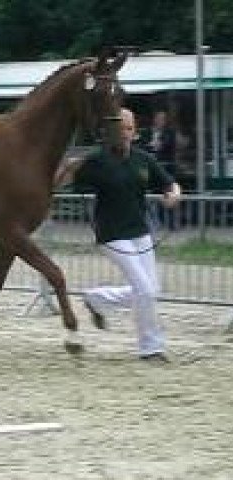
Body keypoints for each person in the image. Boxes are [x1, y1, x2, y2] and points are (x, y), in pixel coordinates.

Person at [54, 108, 181, 362]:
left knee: (150, 289)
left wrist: (174, 194)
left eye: (128, 128)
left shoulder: (143, 160)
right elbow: (57, 183)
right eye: (119, 128)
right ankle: (151, 348)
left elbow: (170, 183)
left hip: (139, 231)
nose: (124, 133)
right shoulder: (97, 160)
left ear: (135, 132)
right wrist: (68, 167)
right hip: (112, 235)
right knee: (144, 288)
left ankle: (96, 300)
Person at [142, 110, 177, 178]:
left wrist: (152, 145)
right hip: (148, 165)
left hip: (164, 165)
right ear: (154, 119)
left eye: (162, 119)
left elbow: (164, 146)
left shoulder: (169, 133)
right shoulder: (146, 132)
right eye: (158, 118)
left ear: (165, 121)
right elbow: (142, 146)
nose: (160, 121)